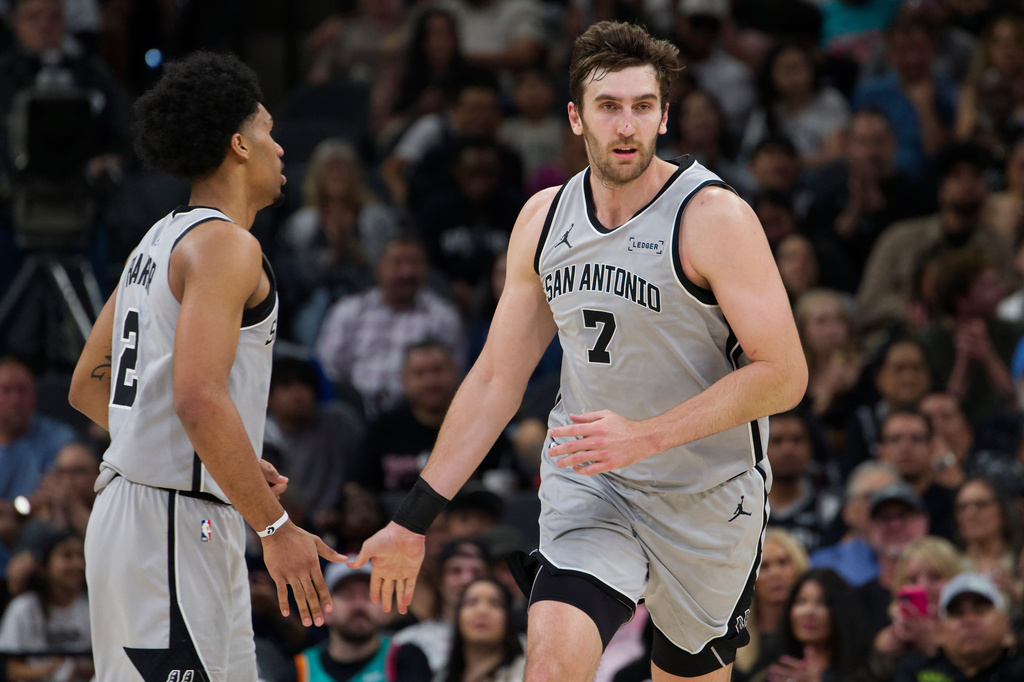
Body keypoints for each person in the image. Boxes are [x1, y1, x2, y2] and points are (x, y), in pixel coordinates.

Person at [351, 20, 807, 682]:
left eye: (642, 107)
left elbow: (785, 374)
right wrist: (412, 519)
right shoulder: (542, 219)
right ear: (575, 117)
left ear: (664, 115)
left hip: (707, 494)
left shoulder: (713, 218)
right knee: (552, 663)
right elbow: (496, 381)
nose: (627, 126)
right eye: (609, 107)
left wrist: (647, 437)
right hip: (593, 481)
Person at [67, 52, 343, 681]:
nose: (280, 149)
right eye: (269, 132)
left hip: (160, 515)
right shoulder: (225, 244)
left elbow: (90, 385)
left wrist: (225, 457)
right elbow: (196, 398)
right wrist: (276, 529)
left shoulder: (158, 239)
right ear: (239, 145)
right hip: (171, 521)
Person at [894, 572, 1024, 682]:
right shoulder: (916, 671)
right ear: (940, 630)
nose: (969, 620)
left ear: (1005, 622)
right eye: (956, 613)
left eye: (981, 609)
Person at [750, 568, 873, 682]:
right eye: (801, 601)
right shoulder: (771, 669)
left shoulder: (865, 670)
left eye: (821, 603)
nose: (809, 612)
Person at [0, 529, 91, 681]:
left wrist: (79, 670)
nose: (78, 564)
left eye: (81, 556)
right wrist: (48, 670)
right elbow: (13, 670)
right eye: (67, 555)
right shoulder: (23, 608)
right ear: (43, 566)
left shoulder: (91, 608)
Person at [293, 562, 397, 682]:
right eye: (347, 595)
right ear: (323, 611)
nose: (359, 605)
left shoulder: (404, 657)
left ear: (384, 608)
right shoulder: (300, 670)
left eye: (368, 595)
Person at [0, 357, 75, 499]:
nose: (16, 400)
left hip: (35, 517)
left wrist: (15, 512)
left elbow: (58, 491)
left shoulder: (59, 438)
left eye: (22, 390)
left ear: (34, 395)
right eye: (6, 390)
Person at [436, 576, 527, 682]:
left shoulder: (526, 673)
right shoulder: (441, 675)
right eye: (472, 602)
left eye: (495, 603)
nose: (482, 611)